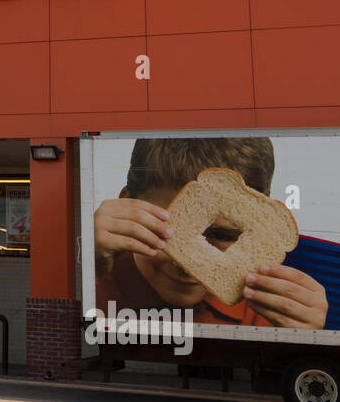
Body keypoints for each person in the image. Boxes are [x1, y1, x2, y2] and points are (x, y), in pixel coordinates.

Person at [94, 137, 327, 328]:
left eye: (224, 236)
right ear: (126, 203)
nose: (185, 266)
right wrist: (84, 268)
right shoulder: (95, 274)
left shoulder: (274, 311)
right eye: (168, 230)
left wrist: (306, 340)